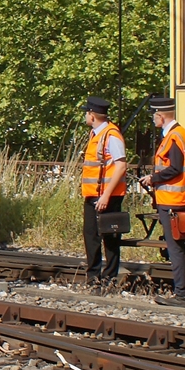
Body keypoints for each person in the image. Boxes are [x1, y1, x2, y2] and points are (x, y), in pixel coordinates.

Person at [139, 94, 185, 308]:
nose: (152, 120)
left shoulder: (174, 137)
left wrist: (152, 178)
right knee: (178, 248)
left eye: (154, 116)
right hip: (177, 199)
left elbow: (175, 168)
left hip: (174, 201)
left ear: (161, 116)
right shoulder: (179, 134)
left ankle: (183, 295)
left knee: (176, 248)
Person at [79, 95, 128, 287]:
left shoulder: (111, 135)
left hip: (108, 196)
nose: (85, 117)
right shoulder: (97, 134)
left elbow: (121, 166)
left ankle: (109, 278)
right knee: (91, 236)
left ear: (92, 115)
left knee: (110, 237)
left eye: (86, 113)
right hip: (93, 194)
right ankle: (94, 277)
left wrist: (106, 195)